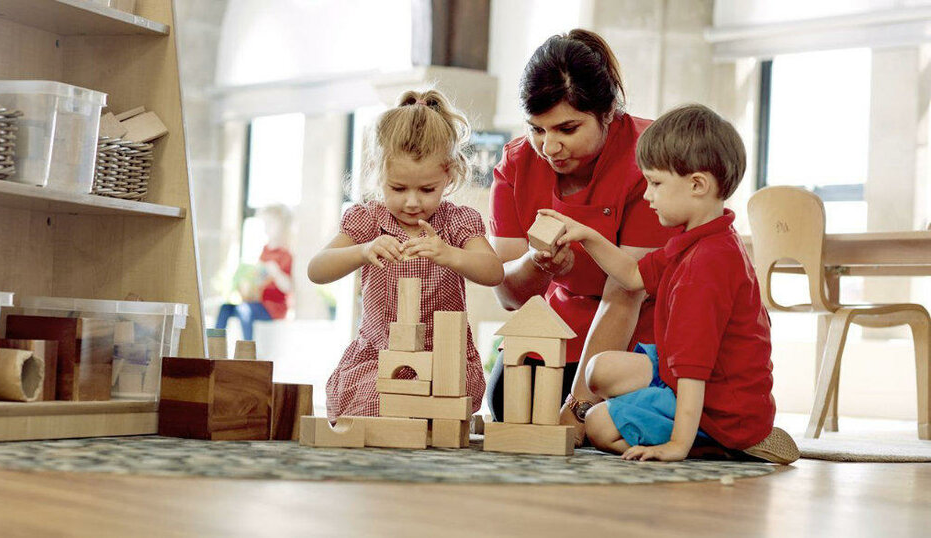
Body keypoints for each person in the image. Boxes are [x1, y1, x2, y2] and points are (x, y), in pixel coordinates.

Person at [538, 104, 799, 464]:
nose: (647, 195)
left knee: (598, 424)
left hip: (718, 404)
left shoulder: (706, 266)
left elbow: (694, 369)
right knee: (598, 369)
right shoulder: (698, 240)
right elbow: (632, 276)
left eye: (656, 183)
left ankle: (713, 441)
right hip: (707, 378)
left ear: (697, 185)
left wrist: (676, 446)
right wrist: (586, 235)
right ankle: (701, 430)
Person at [488, 29, 678, 428]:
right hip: (565, 323)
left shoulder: (650, 158)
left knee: (601, 414)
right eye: (537, 129)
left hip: (641, 327)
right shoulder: (516, 164)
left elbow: (625, 293)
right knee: (510, 400)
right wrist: (537, 263)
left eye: (567, 129)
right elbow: (505, 291)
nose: (550, 146)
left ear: (608, 112)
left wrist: (576, 407)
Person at [308, 89, 504, 419]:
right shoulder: (368, 219)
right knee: (371, 416)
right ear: (378, 174)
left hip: (443, 359)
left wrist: (450, 254)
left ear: (450, 174)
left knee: (437, 421)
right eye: (398, 188)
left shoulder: (456, 222)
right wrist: (362, 250)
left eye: (427, 189)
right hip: (380, 357)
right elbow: (317, 269)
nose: (412, 202)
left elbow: (493, 271)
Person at [216, 204, 294, 341]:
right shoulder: (265, 251)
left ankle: (248, 352)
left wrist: (276, 272)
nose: (266, 228)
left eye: (270, 223)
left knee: (244, 310)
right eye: (265, 223)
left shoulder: (285, 255)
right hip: (257, 303)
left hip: (273, 309)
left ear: (282, 226)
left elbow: (288, 287)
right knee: (225, 308)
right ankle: (213, 346)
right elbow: (258, 282)